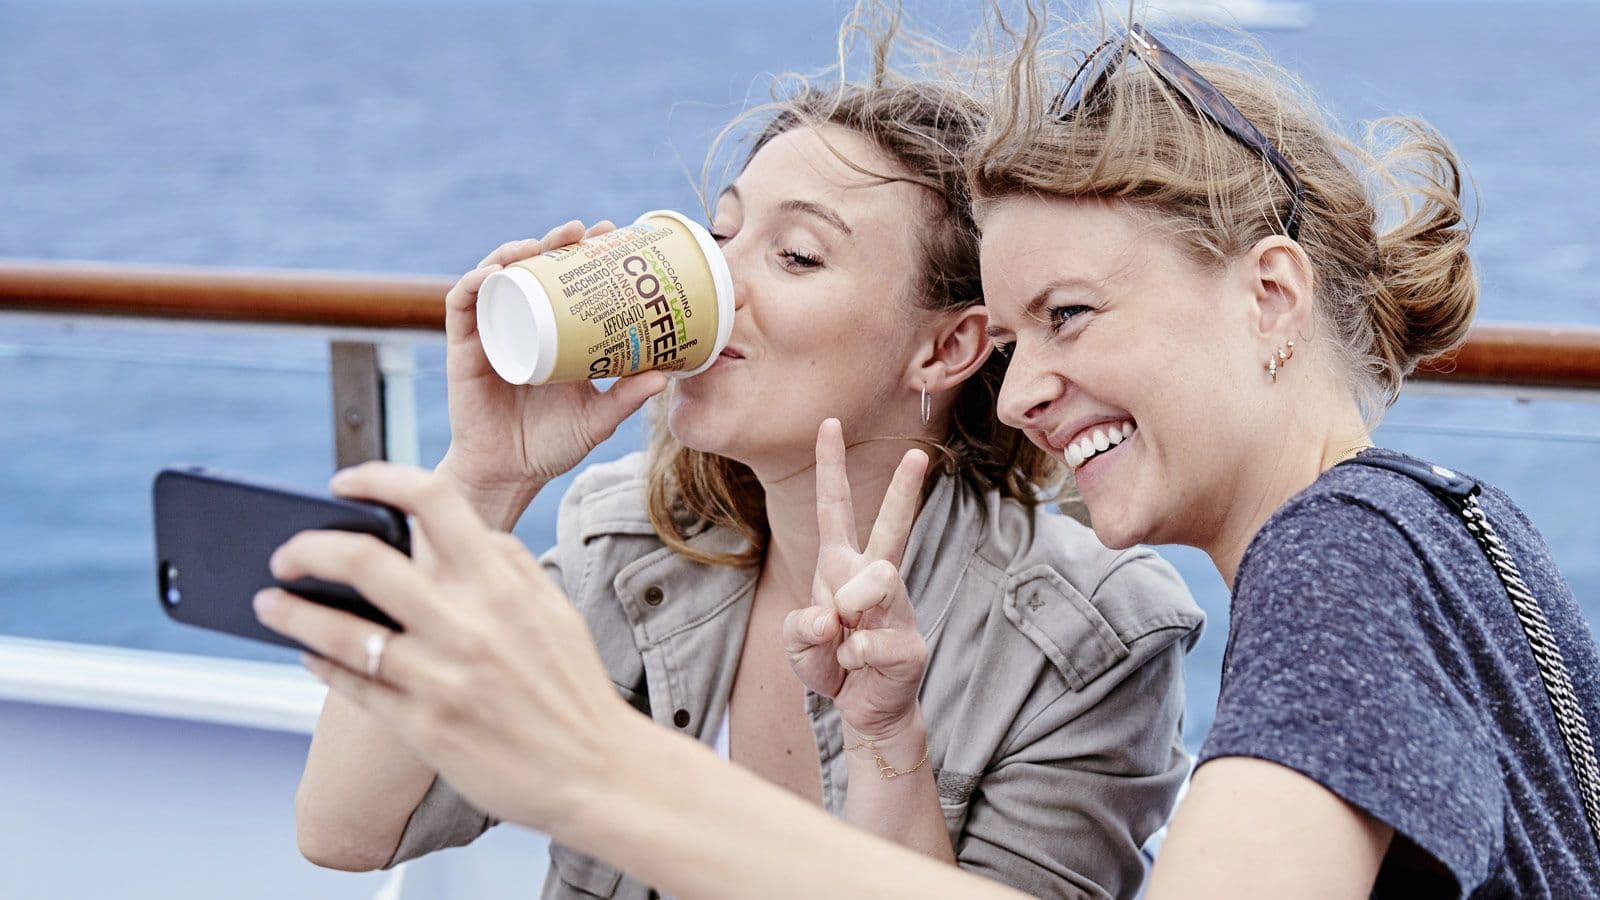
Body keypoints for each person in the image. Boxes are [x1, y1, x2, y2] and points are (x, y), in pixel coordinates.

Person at [255, 10, 1600, 899]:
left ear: (1270, 298)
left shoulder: (1339, 557)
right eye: (1019, 335)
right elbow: (346, 831)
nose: (1027, 390)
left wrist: (591, 769)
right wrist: (485, 484)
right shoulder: (1444, 526)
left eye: (1068, 316)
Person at [277, 58, 1202, 900]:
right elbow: (348, 830)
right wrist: (485, 481)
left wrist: (888, 742)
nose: (720, 280)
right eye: (721, 235)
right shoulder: (636, 540)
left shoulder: (1088, 644)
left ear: (946, 346)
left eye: (796, 255)